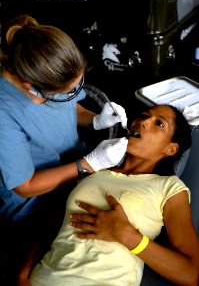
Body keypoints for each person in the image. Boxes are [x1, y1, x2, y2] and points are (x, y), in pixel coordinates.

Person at [0, 14, 128, 283]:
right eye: (64, 90)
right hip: (33, 201)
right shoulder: (4, 111)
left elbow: (71, 107)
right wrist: (87, 165)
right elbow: (24, 186)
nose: (73, 93)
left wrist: (95, 120)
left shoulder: (48, 65)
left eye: (76, 86)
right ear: (30, 87)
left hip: (74, 175)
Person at [19, 104, 199, 286]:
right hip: (43, 279)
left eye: (159, 123)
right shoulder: (93, 169)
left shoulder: (169, 187)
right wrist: (23, 273)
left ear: (170, 149)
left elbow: (192, 274)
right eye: (143, 115)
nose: (143, 121)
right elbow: (50, 227)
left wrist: (128, 236)